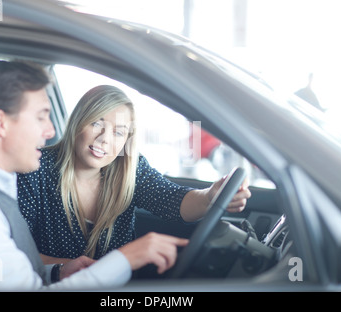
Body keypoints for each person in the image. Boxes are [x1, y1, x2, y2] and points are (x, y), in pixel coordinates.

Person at [0, 60, 188, 290]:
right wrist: (124, 259)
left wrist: (58, 272)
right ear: (0, 122)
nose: (50, 130)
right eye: (41, 117)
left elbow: (22, 276)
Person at [17, 84, 251, 264]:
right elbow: (15, 252)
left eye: (118, 133)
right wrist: (67, 268)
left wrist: (211, 195)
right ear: (78, 122)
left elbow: (173, 200)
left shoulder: (129, 168)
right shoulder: (36, 168)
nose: (104, 139)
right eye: (97, 124)